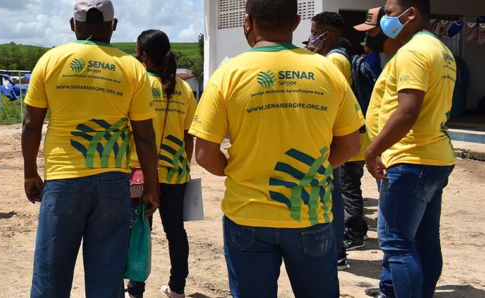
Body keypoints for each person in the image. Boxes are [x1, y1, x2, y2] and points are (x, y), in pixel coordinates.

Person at [190, 0, 363, 296]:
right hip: (310, 213)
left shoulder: (228, 74)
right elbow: (350, 146)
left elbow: (205, 154)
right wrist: (316, 168)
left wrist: (238, 170)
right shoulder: (328, 71)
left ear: (248, 21)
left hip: (247, 215)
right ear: (296, 23)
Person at [21, 1, 160, 297]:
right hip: (113, 183)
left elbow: (31, 124)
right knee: (106, 281)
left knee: (50, 278)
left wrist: (30, 173)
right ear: (114, 25)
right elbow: (145, 136)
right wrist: (151, 184)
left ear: (73, 25)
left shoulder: (50, 61)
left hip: (62, 181)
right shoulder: (132, 67)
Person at [365, 1, 456, 298]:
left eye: (390, 13)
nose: (386, 19)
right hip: (433, 156)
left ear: (411, 13)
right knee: (425, 244)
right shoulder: (440, 50)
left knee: (397, 245)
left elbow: (407, 111)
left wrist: (372, 151)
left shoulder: (413, 52)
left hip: (409, 158)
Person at [125, 29, 197, 298]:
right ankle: (177, 287)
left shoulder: (138, 84)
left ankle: (135, 289)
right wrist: (184, 167)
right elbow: (189, 134)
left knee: (139, 228)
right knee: (175, 231)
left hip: (140, 174)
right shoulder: (185, 89)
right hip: (176, 173)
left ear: (143, 55)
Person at [309, 10, 363, 270]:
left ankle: (337, 251)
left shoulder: (333, 61)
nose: (311, 37)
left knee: (334, 195)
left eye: (313, 31)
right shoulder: (333, 57)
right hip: (332, 134)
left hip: (330, 136)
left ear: (325, 34)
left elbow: (330, 100)